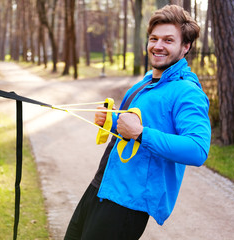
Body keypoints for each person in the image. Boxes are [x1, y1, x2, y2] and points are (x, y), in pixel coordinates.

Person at [64, 4, 211, 240]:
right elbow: (131, 127)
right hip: (101, 186)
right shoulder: (144, 83)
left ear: (185, 47)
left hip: (127, 205)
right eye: (154, 38)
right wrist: (110, 121)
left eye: (168, 40)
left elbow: (198, 150)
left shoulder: (187, 92)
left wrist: (141, 133)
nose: (158, 46)